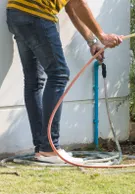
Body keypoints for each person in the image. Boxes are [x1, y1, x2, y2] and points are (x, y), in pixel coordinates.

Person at [6, 0, 123, 163]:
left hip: (16, 13)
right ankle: (50, 148)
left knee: (34, 81)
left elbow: (70, 8)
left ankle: (42, 148)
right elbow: (78, 3)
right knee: (59, 74)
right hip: (37, 14)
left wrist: (92, 41)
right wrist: (102, 35)